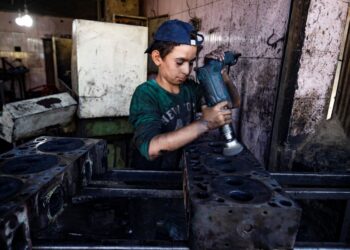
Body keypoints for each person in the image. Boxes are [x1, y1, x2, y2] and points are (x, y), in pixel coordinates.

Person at [129, 19, 240, 170]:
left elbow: (233, 103)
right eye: (179, 62)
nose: (187, 71)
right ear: (157, 58)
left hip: (178, 172)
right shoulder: (146, 94)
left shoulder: (190, 88)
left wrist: (220, 73)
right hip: (149, 179)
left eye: (191, 63)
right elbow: (151, 148)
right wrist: (205, 123)